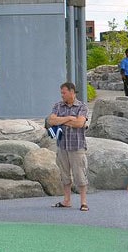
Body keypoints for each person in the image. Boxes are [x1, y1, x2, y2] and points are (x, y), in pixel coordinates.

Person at [47, 82, 89, 211]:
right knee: (65, 175)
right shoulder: (58, 106)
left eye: (64, 92)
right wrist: (70, 118)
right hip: (62, 146)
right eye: (61, 93)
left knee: (80, 175)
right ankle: (67, 200)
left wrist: (62, 120)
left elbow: (80, 123)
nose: (62, 95)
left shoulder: (82, 106)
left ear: (72, 92)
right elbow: (51, 120)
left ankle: (83, 202)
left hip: (77, 146)